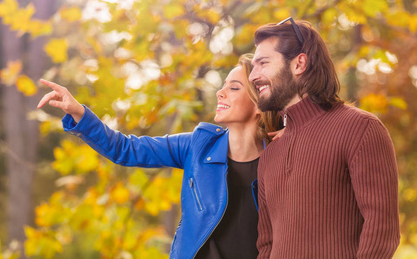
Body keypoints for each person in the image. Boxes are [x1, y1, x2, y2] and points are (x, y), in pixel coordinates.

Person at [37, 55, 281, 259]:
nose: (220, 92)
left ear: (260, 104)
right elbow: (125, 149)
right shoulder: (198, 145)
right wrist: (79, 112)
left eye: (234, 88)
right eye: (223, 85)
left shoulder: (280, 158)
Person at [248, 17, 400, 258]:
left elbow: (381, 229)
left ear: (299, 64)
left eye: (263, 63)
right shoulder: (270, 155)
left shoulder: (360, 128)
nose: (252, 76)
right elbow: (266, 246)